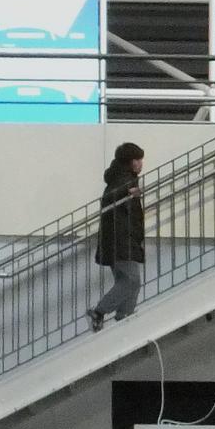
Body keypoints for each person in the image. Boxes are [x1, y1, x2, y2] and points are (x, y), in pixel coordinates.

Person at [87, 142, 145, 331]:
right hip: (121, 240)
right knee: (131, 280)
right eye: (137, 160)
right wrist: (126, 192)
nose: (141, 163)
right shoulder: (123, 180)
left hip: (122, 239)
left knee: (128, 281)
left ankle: (124, 318)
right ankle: (100, 311)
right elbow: (111, 197)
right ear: (129, 162)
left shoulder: (123, 177)